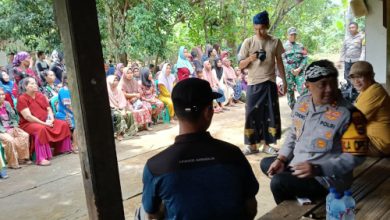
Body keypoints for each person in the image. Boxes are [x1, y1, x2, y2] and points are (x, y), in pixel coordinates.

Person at [139, 78, 259, 220]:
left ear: (176, 112)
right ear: (208, 112)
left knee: (144, 210)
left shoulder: (156, 166)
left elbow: (151, 215)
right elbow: (251, 207)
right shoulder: (233, 154)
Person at [260, 60, 368, 204]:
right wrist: (282, 158)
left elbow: (356, 156)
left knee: (279, 182)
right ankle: (302, 195)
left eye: (332, 83)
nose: (329, 89)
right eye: (322, 84)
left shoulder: (350, 114)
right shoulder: (302, 103)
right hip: (300, 164)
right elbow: (294, 133)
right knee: (267, 164)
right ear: (308, 86)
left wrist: (318, 169)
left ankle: (296, 208)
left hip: (327, 177)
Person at [238, 11, 287, 155]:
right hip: (253, 84)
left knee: (270, 114)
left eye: (262, 28)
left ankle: (267, 145)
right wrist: (250, 59)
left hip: (270, 82)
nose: (259, 31)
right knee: (251, 114)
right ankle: (252, 145)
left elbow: (280, 63)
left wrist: (284, 81)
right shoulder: (248, 42)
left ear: (267, 26)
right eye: (256, 28)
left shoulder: (275, 41)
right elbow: (240, 65)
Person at [17, 77, 72, 166]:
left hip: (45, 120)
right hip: (29, 124)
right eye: (31, 84)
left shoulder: (40, 95)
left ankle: (62, 149)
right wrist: (44, 123)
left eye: (35, 83)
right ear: (25, 86)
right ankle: (41, 158)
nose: (35, 85)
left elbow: (48, 109)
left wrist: (52, 119)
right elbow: (28, 116)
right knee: (41, 129)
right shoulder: (22, 98)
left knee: (63, 124)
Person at [349, 61, 390, 156]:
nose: (356, 81)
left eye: (360, 76)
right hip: (373, 139)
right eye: (353, 77)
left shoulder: (374, 92)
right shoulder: (367, 90)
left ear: (371, 76)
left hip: (378, 143)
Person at [0, 88, 31, 169]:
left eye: (2, 94)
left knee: (24, 135)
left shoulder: (7, 104)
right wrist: (4, 130)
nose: (1, 96)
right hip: (2, 130)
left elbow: (14, 117)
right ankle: (12, 163)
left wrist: (15, 125)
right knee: (10, 140)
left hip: (11, 127)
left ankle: (22, 158)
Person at [283, 27, 308, 109]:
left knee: (303, 90)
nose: (293, 36)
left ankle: (305, 108)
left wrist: (300, 68)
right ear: (287, 35)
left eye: (294, 34)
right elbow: (283, 60)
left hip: (300, 72)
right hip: (289, 73)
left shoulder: (301, 46)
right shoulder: (283, 47)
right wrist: (291, 69)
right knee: (290, 90)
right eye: (291, 35)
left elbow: (305, 58)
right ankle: (293, 108)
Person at [106, 75, 137, 141]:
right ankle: (118, 134)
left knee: (129, 113)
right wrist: (118, 110)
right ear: (109, 82)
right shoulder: (107, 92)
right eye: (114, 80)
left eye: (117, 80)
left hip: (120, 108)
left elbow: (122, 101)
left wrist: (123, 110)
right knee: (118, 115)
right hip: (111, 109)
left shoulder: (118, 90)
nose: (116, 82)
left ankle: (130, 132)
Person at [55, 75, 78, 152]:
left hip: (73, 112)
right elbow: (68, 106)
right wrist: (78, 113)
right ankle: (75, 145)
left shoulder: (74, 88)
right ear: (66, 80)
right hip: (65, 114)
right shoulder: (63, 90)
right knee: (78, 123)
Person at [338, 22, 365, 87]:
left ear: (357, 28)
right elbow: (343, 49)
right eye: (350, 28)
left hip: (356, 60)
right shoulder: (346, 38)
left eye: (353, 27)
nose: (351, 29)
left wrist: (361, 60)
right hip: (347, 60)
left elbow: (364, 49)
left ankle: (356, 89)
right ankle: (350, 88)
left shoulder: (361, 37)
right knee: (347, 75)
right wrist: (341, 60)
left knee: (356, 75)